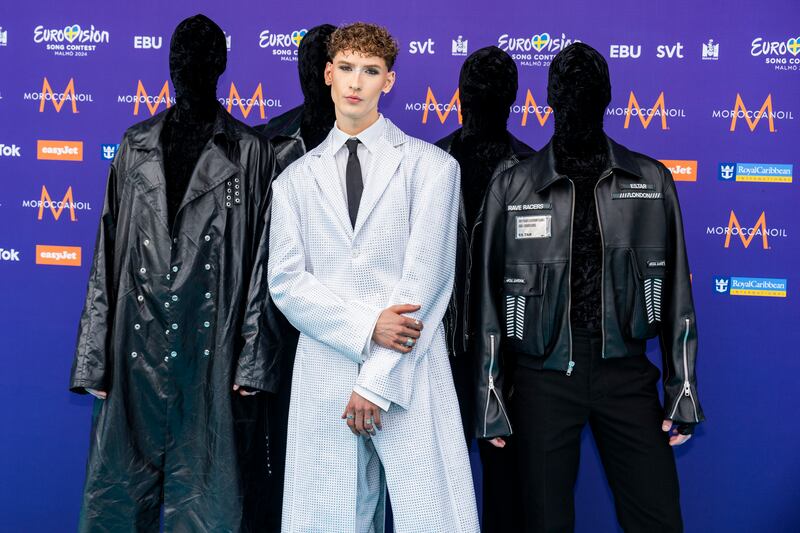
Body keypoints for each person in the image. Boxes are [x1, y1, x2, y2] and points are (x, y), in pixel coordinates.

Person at [475, 43, 703, 532]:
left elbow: (679, 295)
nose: (577, 103)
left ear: (607, 98)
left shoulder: (650, 179)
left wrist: (682, 387)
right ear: (550, 100)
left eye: (589, 92)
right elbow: (490, 301)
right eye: (567, 93)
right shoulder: (512, 185)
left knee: (658, 516)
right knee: (544, 521)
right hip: (541, 378)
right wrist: (492, 394)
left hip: (626, 372)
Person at [69, 14, 278, 532]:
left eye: (202, 59)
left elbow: (262, 264)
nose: (190, 68)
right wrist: (95, 359)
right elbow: (106, 252)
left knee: (206, 505)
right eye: (182, 58)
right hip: (133, 355)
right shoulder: (136, 144)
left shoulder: (250, 152)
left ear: (221, 66)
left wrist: (251, 361)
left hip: (210, 355)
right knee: (118, 501)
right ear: (169, 65)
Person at [268, 22, 479, 533]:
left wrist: (375, 381)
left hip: (408, 369)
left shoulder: (433, 167)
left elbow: (426, 283)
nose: (355, 82)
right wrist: (367, 327)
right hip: (324, 366)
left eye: (370, 71)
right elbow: (287, 282)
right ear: (327, 74)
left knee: (433, 519)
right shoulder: (294, 179)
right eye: (346, 68)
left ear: (389, 80)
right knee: (325, 520)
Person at [435, 45, 535, 532]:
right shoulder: (428, 163)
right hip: (435, 347)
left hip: (510, 352)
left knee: (507, 484)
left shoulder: (535, 172)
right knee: (434, 484)